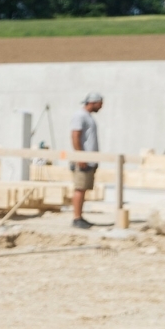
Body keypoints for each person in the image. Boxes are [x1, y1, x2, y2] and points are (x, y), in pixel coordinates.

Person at [69, 92, 104, 229]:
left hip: (89, 160)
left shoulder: (88, 117)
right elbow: (75, 136)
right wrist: (80, 156)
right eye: (100, 104)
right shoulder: (80, 116)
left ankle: (80, 217)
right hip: (83, 159)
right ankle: (76, 218)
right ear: (93, 102)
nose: (101, 107)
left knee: (83, 188)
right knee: (80, 188)